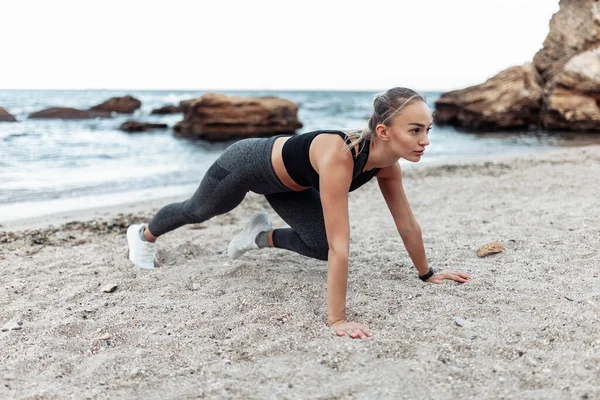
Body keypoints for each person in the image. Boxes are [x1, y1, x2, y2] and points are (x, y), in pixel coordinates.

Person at [126, 87, 471, 339]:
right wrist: (337, 320)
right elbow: (343, 245)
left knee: (320, 245)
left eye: (428, 129)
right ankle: (143, 236)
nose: (425, 140)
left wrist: (428, 274)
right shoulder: (341, 156)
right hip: (246, 165)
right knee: (198, 210)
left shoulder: (387, 165)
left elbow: (406, 224)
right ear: (384, 131)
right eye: (415, 130)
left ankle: (257, 237)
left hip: (288, 187)